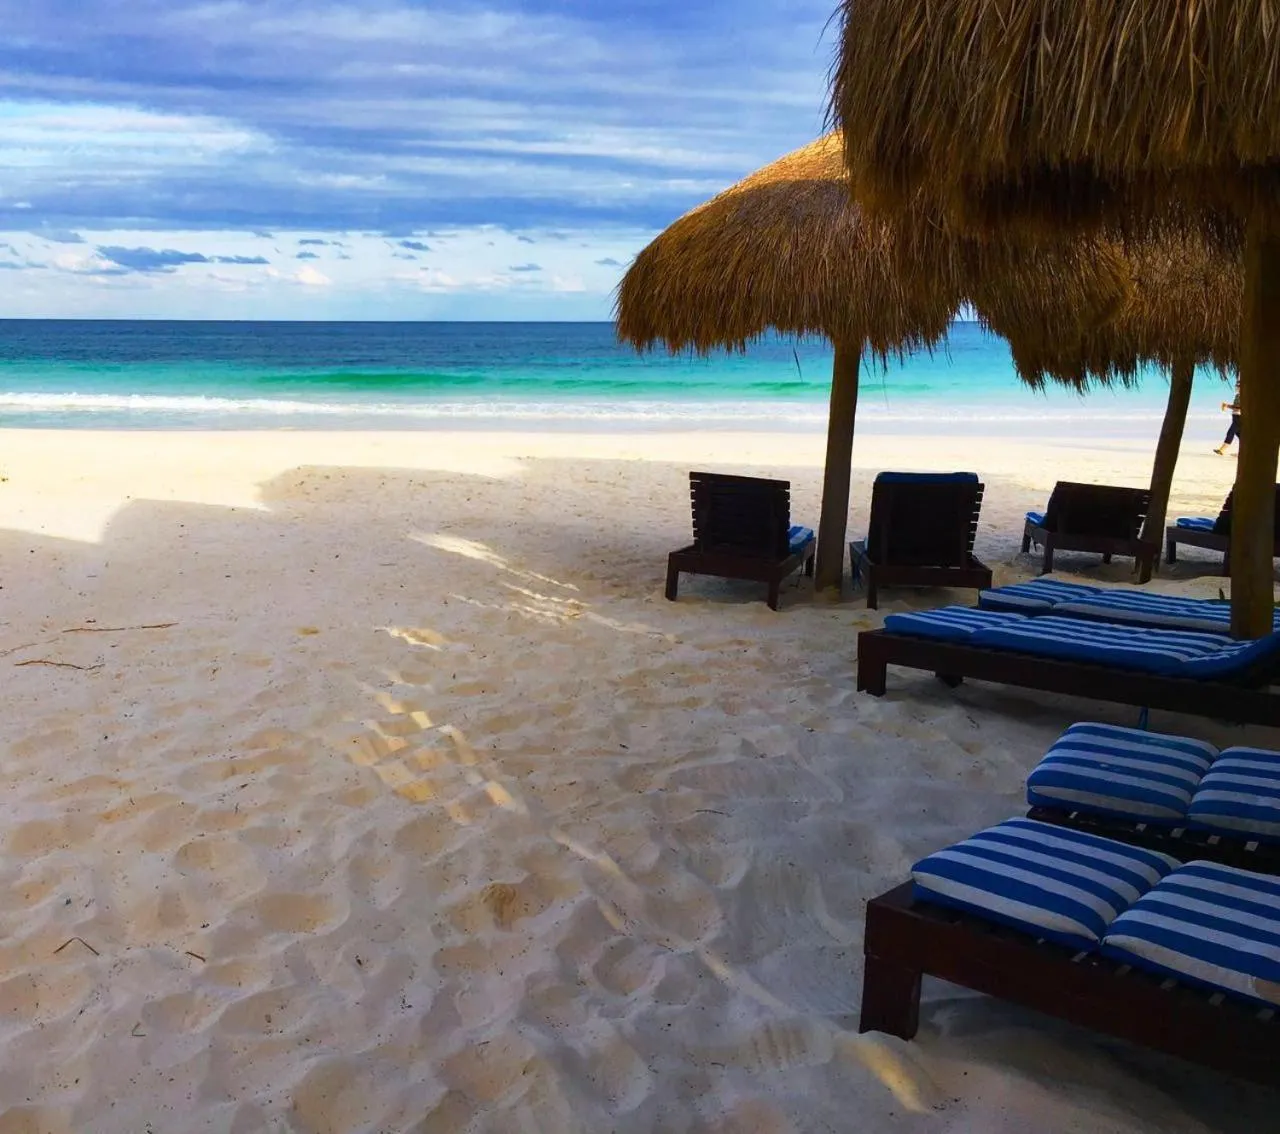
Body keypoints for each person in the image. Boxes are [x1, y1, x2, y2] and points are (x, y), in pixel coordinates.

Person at [1215, 380, 1241, 455]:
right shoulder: (1237, 396)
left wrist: (1227, 406)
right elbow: (1236, 406)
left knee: (1230, 432)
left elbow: (1239, 408)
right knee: (1240, 435)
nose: (1236, 387)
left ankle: (1222, 450)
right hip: (1235, 417)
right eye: (1236, 386)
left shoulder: (1243, 396)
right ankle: (1242, 452)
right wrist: (1227, 405)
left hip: (1239, 417)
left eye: (1238, 386)